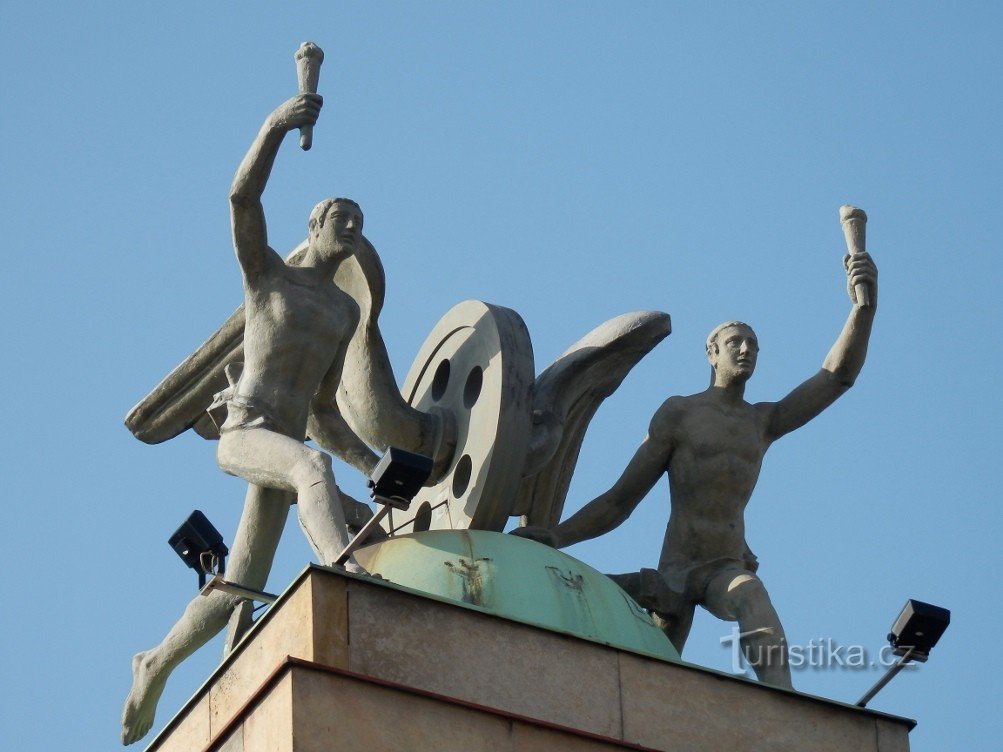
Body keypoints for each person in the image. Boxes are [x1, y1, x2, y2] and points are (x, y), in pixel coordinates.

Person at [121, 92, 382, 745]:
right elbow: (242, 202)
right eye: (339, 216)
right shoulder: (268, 278)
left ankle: (153, 664)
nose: (350, 226)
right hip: (244, 434)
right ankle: (341, 572)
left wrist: (374, 463)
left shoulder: (343, 315)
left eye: (358, 219)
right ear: (316, 223)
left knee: (239, 585)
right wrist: (273, 127)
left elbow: (324, 411)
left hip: (287, 448)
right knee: (310, 469)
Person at [513, 251, 878, 688]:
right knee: (656, 680)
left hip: (723, 565)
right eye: (735, 342)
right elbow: (619, 500)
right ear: (711, 352)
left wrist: (862, 308)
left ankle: (784, 700)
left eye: (754, 345)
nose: (746, 350)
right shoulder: (679, 415)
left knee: (751, 596)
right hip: (674, 574)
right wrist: (556, 536)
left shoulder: (762, 422)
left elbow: (836, 377)